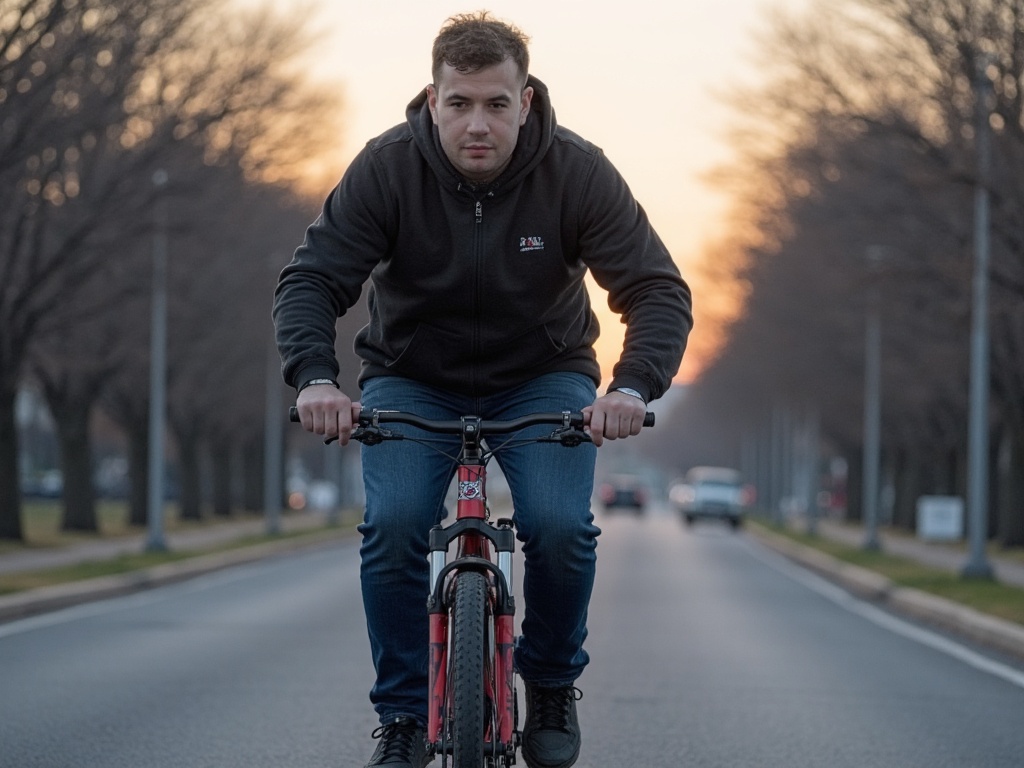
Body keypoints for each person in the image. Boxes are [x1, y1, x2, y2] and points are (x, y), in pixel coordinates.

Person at [273, 11, 692, 768]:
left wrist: (630, 388)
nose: (477, 124)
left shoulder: (577, 171)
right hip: (412, 378)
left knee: (561, 526)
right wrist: (315, 377)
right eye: (459, 103)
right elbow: (312, 280)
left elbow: (656, 289)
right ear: (432, 100)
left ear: (525, 101)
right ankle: (402, 715)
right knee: (395, 522)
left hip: (545, 378)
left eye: (496, 104)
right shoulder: (385, 169)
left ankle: (554, 682)